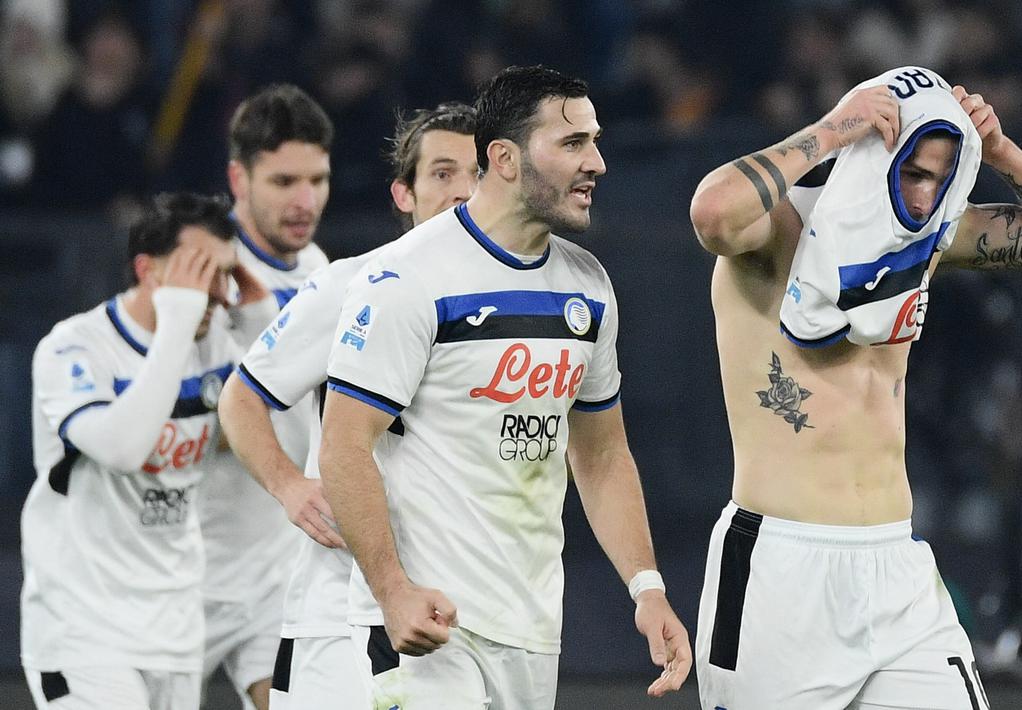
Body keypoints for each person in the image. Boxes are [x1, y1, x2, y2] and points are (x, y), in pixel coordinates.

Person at [688, 65, 1022, 709]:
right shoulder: (775, 226)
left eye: (940, 178)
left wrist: (1000, 151)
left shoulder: (927, 239)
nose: (923, 197)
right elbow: (713, 213)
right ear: (869, 152)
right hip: (781, 566)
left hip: (895, 562)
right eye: (913, 173)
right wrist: (834, 128)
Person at [317, 65, 692, 709]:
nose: (597, 162)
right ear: (505, 159)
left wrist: (647, 588)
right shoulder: (408, 278)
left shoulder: (588, 285)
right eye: (572, 143)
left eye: (595, 142)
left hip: (532, 628)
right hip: (427, 625)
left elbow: (601, 455)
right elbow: (344, 446)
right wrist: (392, 591)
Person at [216, 101, 480, 710]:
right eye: (442, 173)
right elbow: (241, 398)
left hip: (463, 612)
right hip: (338, 617)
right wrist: (288, 485)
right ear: (404, 194)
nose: (463, 191)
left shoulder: (524, 305)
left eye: (477, 174)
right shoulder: (352, 284)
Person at [20, 192, 274, 710]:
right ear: (147, 270)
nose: (217, 291)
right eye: (200, 270)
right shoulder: (75, 348)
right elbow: (124, 447)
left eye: (225, 272)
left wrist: (260, 327)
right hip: (82, 629)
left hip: (176, 632)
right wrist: (176, 325)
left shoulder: (217, 347)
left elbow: (284, 437)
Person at [199, 83, 333, 710]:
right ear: (238, 178)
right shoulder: (196, 267)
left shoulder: (320, 271)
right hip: (179, 575)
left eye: (317, 180)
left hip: (276, 574)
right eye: (283, 181)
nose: (305, 201)